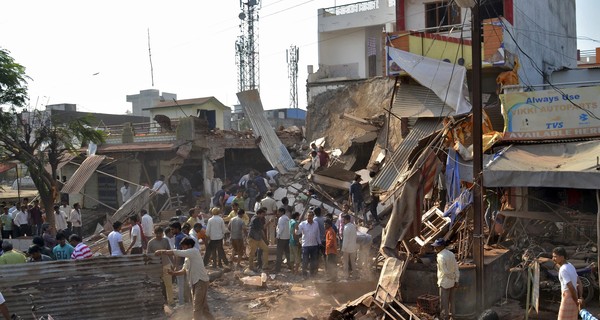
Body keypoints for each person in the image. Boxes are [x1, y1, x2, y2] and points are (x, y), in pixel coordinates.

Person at [155, 238, 214, 320]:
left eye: (183, 246)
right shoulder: (188, 258)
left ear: (189, 245)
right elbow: (183, 271)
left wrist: (162, 252)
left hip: (201, 281)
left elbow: (176, 252)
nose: (182, 248)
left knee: (196, 306)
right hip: (195, 282)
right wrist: (173, 273)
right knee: (203, 307)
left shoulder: (193, 251)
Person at [432, 238, 460, 320]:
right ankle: (453, 317)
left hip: (444, 283)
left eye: (436, 247)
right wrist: (456, 280)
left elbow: (445, 272)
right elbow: (456, 268)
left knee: (444, 303)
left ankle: (445, 318)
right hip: (452, 282)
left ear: (441, 247)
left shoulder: (440, 257)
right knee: (452, 302)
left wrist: (452, 277)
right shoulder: (451, 254)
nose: (435, 248)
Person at [553, 246, 583, 320]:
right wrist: (580, 297)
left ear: (562, 257)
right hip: (574, 296)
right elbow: (578, 281)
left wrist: (576, 301)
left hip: (568, 298)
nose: (553, 259)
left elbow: (571, 287)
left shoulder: (563, 269)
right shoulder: (570, 265)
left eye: (555, 257)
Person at [147, 226, 175, 306]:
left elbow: (170, 253)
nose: (159, 235)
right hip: (156, 267)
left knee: (169, 284)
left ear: (162, 233)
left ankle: (171, 302)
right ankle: (162, 301)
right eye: (157, 233)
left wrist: (172, 264)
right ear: (154, 233)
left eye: (160, 233)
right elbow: (148, 256)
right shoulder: (151, 243)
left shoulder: (165, 241)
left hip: (166, 264)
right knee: (158, 285)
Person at [295, 210, 321, 277]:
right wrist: (296, 229)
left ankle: (312, 274)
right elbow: (297, 233)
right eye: (308, 217)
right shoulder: (302, 224)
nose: (309, 218)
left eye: (310, 217)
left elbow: (317, 234)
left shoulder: (316, 223)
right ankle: (304, 274)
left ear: (313, 217)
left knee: (313, 261)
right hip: (306, 245)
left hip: (314, 245)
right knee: (305, 261)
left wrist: (319, 243)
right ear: (306, 217)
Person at [341, 215, 357, 279]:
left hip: (347, 248)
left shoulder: (346, 227)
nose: (343, 221)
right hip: (353, 247)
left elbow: (346, 239)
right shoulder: (353, 226)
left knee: (346, 262)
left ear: (347, 220)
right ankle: (354, 275)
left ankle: (346, 276)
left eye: (344, 220)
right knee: (353, 262)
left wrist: (343, 248)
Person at [274, 207, 290, 273]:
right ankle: (290, 265)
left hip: (281, 238)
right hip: (287, 237)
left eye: (279, 212)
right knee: (287, 253)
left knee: (279, 253)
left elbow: (281, 228)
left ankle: (277, 268)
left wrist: (277, 236)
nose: (278, 213)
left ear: (281, 212)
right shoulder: (287, 218)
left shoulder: (281, 219)